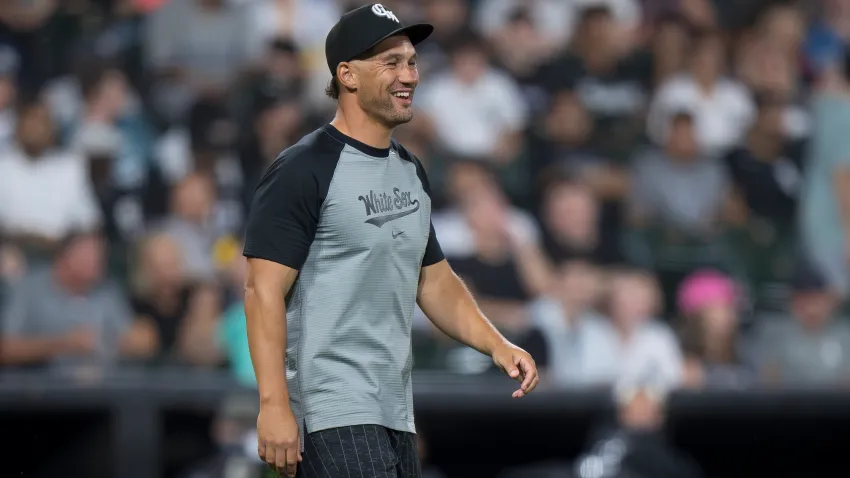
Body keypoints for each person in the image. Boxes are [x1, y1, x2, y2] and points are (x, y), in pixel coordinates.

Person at [242, 4, 540, 478]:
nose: (409, 75)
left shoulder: (409, 168)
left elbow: (434, 281)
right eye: (391, 62)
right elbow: (262, 292)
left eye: (412, 62)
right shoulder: (302, 168)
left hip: (395, 411)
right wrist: (274, 405)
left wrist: (496, 344)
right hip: (331, 410)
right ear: (347, 75)